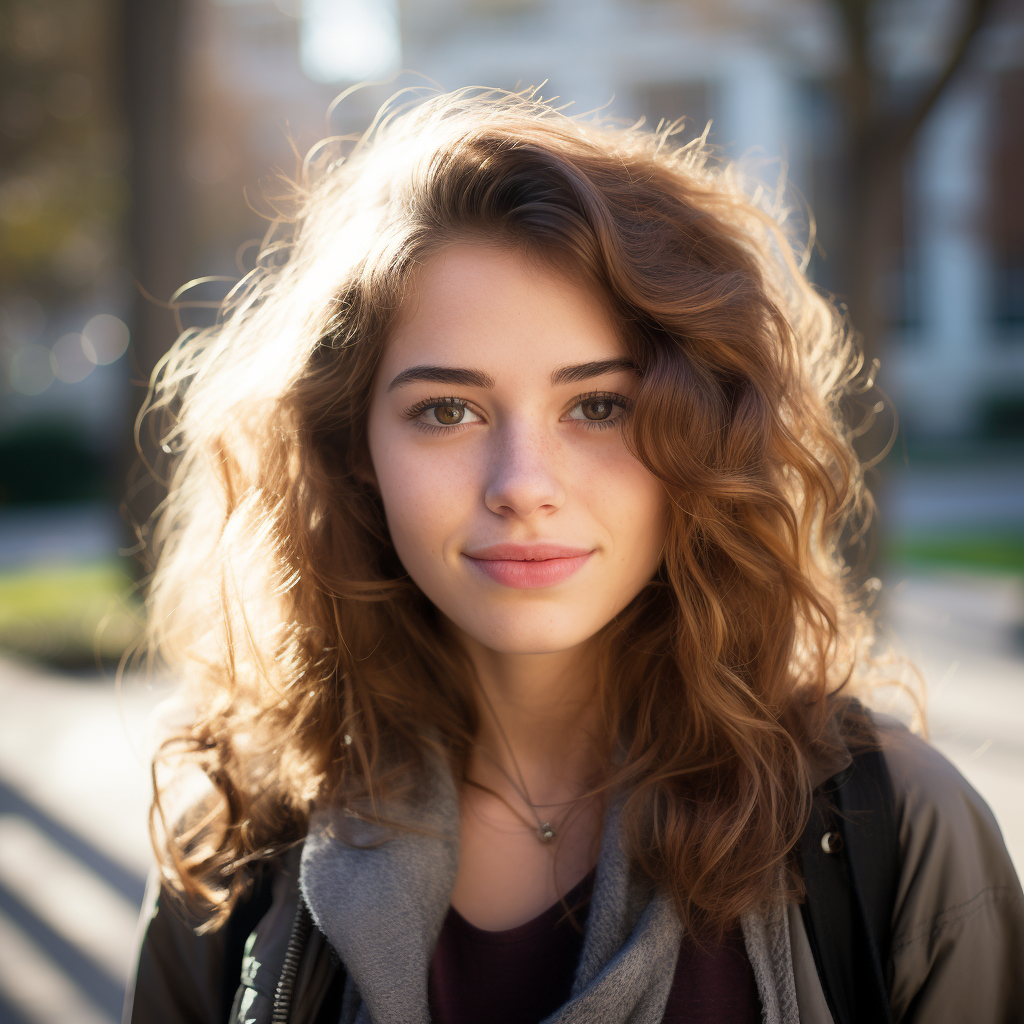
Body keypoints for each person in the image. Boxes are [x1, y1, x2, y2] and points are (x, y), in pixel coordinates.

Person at [126, 89, 1023, 1024]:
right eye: (447, 411)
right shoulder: (238, 849)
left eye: (598, 406)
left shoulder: (894, 834)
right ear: (356, 448)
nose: (523, 484)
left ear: (702, 435)